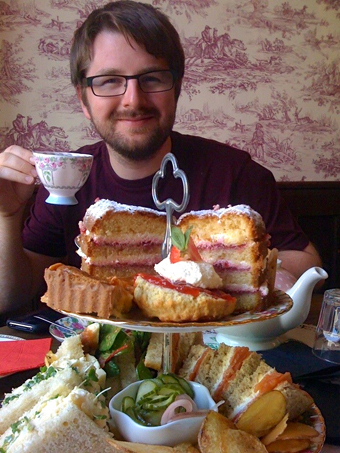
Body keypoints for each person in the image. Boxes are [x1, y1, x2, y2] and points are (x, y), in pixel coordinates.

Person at [0, 0, 321, 315]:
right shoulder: (66, 181)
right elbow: (10, 296)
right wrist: (7, 218)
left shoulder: (234, 172)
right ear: (83, 99)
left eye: (152, 78)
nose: (133, 100)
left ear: (177, 87)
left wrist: (239, 276)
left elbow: (306, 260)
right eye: (110, 81)